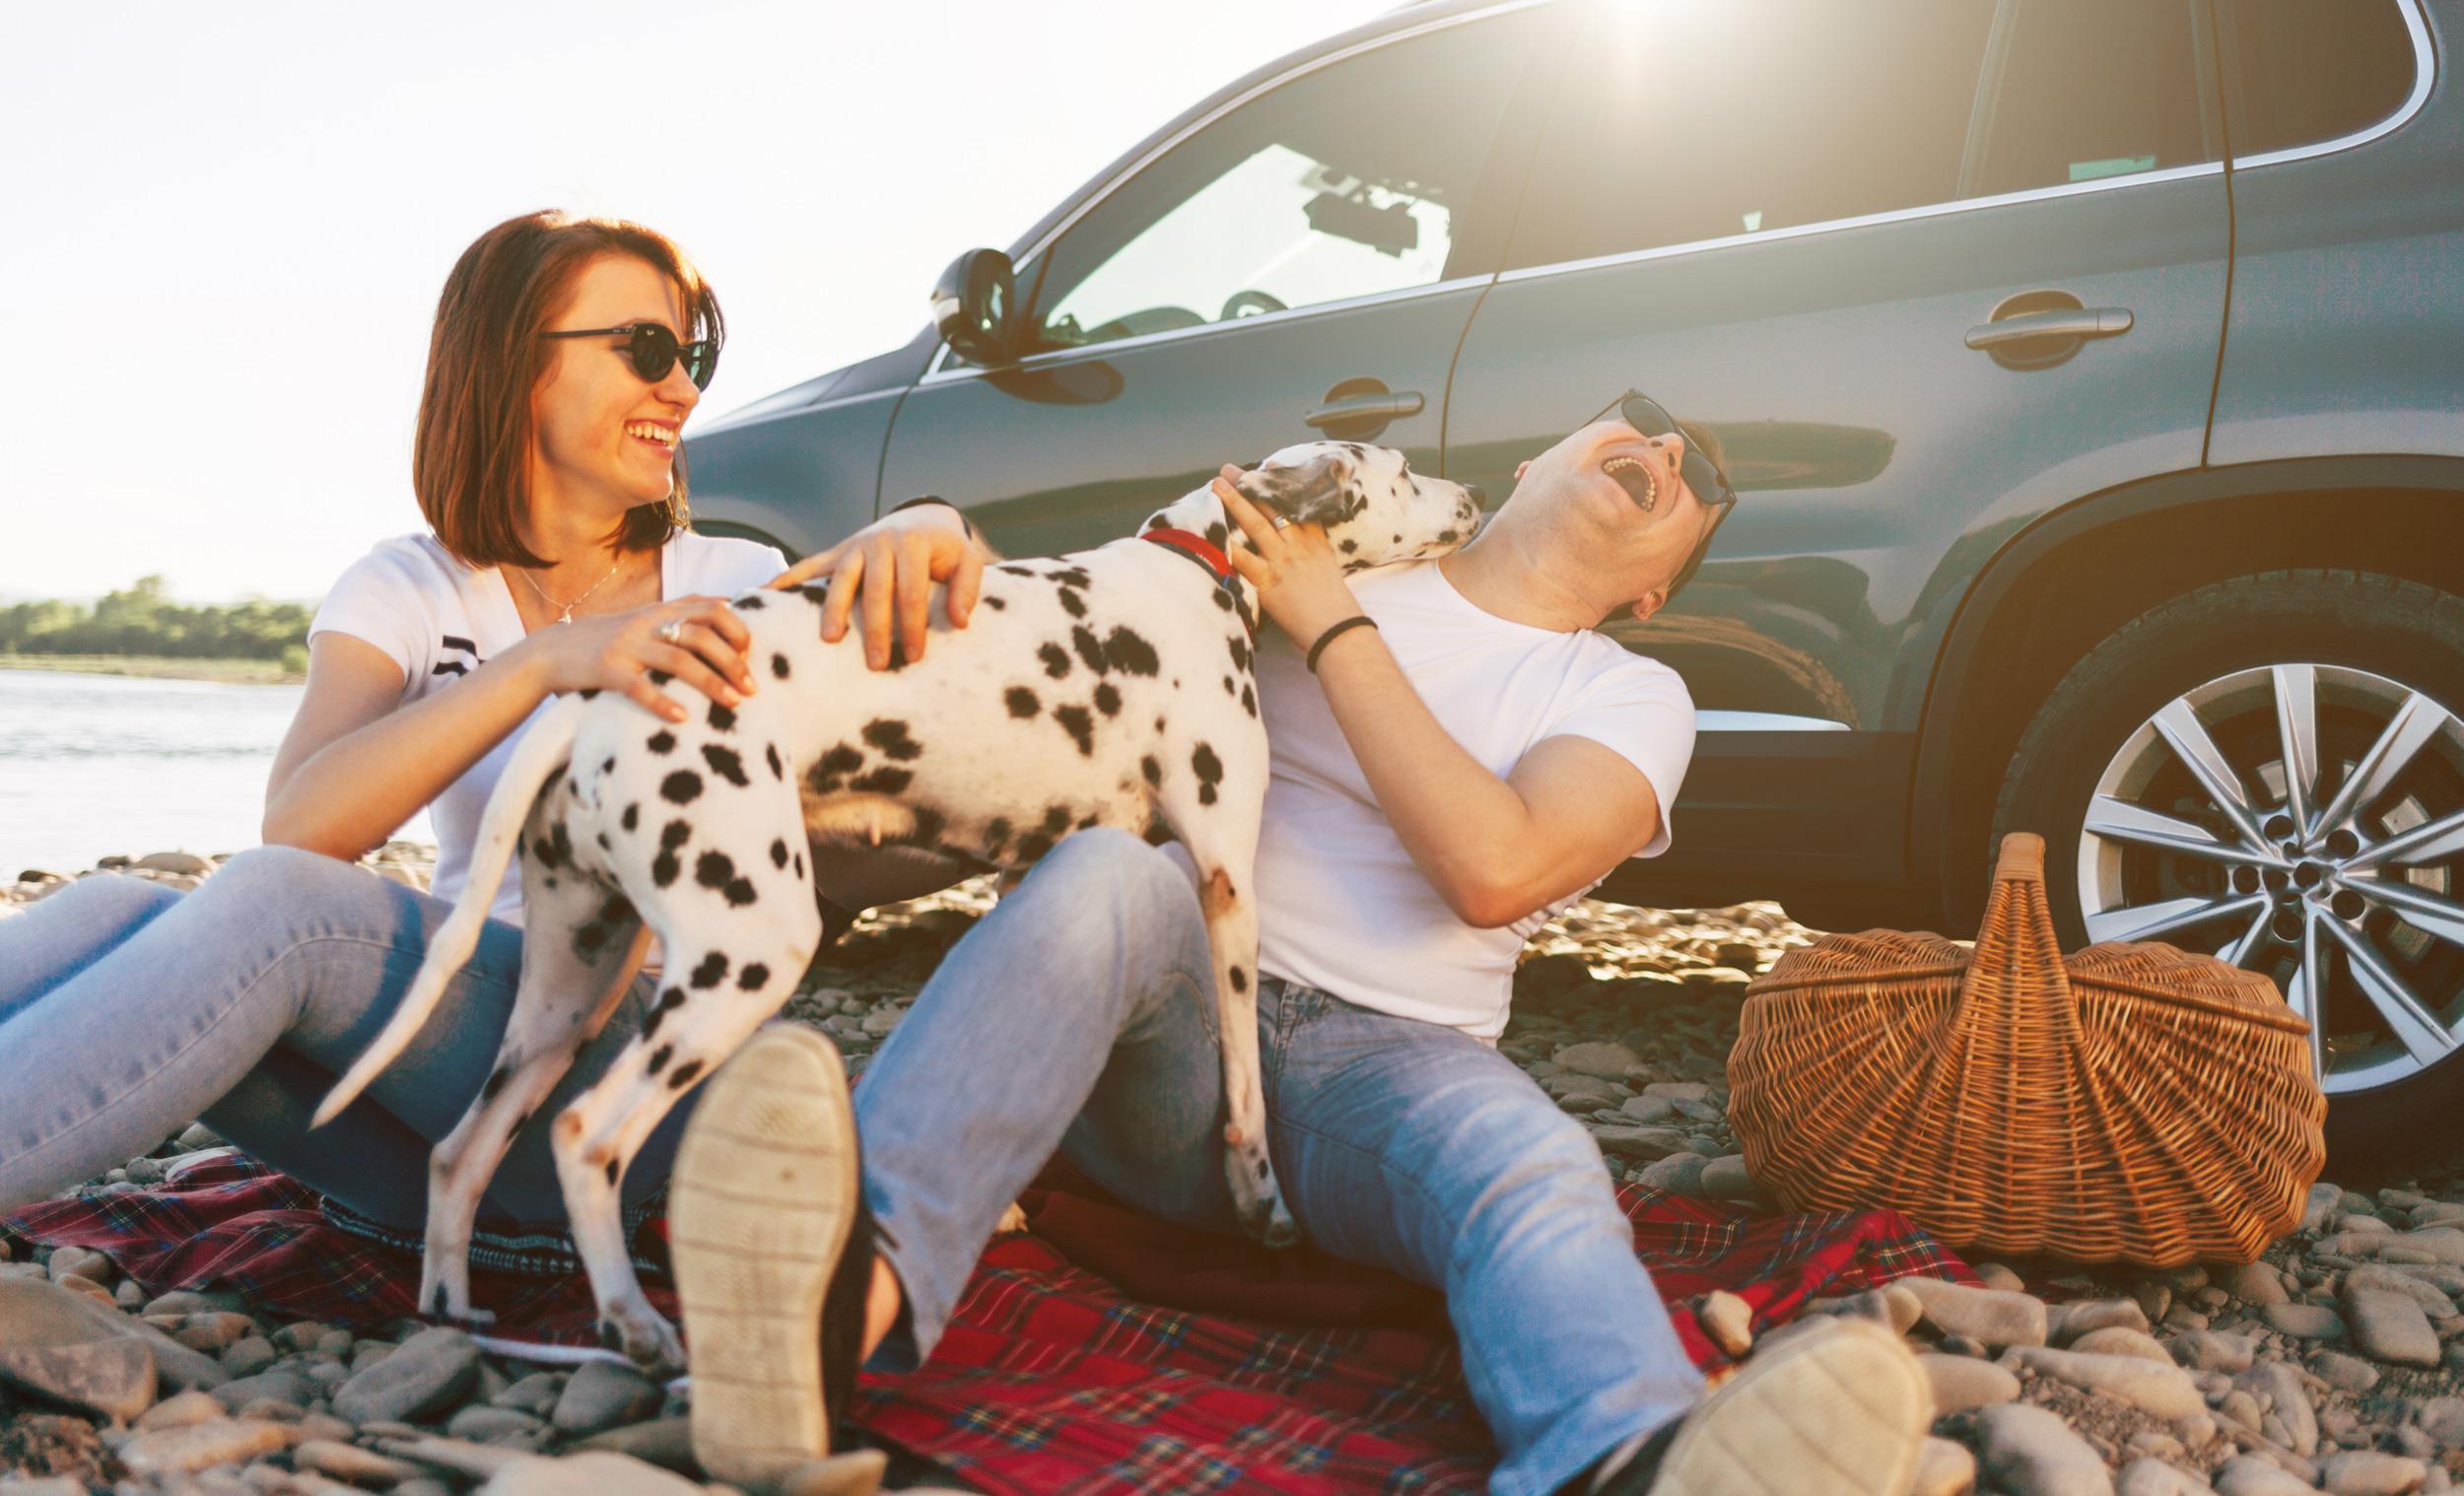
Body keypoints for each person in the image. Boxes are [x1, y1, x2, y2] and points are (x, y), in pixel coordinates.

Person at [667, 396, 1934, 1496]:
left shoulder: (1622, 693)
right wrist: (930, 524)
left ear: (1654, 588)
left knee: (1535, 1156)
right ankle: (817, 1333)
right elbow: (1052, 662)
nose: (1662, 443)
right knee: (1107, 869)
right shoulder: (1295, 553)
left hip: (1380, 1071)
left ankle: (1638, 1454)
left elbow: (1496, 868)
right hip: (1154, 1023)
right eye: (1638, 417)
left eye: (1698, 475)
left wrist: (1329, 626)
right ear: (1540, 458)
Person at [0, 210, 787, 1240]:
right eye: (646, 349)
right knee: (114, 907)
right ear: (516, 363)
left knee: (278, 909)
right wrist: (537, 663)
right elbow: (304, 819)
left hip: (630, 1094)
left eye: (692, 355)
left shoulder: (735, 588)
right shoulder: (409, 587)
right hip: (424, 1124)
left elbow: (287, 877)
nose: (681, 388)